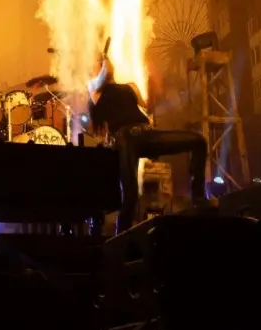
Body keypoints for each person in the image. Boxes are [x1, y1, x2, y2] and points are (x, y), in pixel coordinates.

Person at [87, 54, 209, 234]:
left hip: (147, 133)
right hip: (126, 139)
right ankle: (121, 240)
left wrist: (154, 86)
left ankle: (198, 200)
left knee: (198, 141)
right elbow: (105, 72)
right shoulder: (94, 88)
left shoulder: (130, 86)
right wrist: (104, 60)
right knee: (130, 196)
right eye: (98, 62)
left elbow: (146, 106)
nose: (102, 62)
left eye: (101, 60)